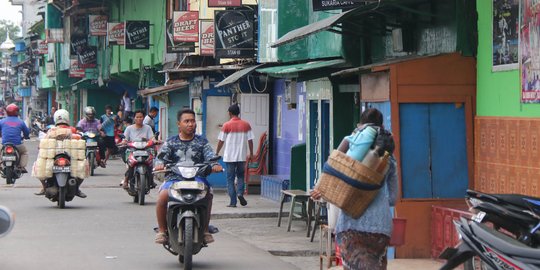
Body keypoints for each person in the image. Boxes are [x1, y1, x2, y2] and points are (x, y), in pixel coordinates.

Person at [311, 108, 398, 270]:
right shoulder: (389, 159)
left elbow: (333, 168)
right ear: (382, 126)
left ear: (361, 125)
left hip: (352, 224)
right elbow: (393, 198)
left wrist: (320, 190)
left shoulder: (350, 142)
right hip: (380, 226)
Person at [153, 109, 222, 244]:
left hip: (198, 179)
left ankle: (205, 230)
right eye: (186, 121)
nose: (190, 124)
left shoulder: (202, 142)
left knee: (208, 195)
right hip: (174, 179)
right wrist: (160, 164)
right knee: (162, 196)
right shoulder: (171, 142)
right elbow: (160, 158)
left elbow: (210, 156)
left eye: (192, 121)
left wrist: (214, 165)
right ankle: (162, 231)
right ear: (179, 124)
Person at [35, 109, 87, 198]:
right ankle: (77, 189)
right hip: (69, 156)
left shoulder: (51, 131)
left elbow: (43, 144)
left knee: (39, 167)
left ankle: (44, 188)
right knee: (83, 167)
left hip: (55, 156)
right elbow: (80, 141)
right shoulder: (73, 130)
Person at [215, 104, 253, 207]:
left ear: (230, 113)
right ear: (238, 112)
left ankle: (233, 202)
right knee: (240, 176)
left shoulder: (226, 125)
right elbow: (250, 141)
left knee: (230, 179)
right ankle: (240, 193)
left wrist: (217, 152)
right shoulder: (246, 125)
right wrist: (251, 153)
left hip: (229, 157)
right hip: (241, 156)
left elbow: (221, 141)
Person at [120, 110, 156, 191]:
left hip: (146, 149)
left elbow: (152, 138)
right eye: (137, 117)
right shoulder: (129, 128)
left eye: (141, 117)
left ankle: (151, 179)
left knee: (151, 164)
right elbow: (125, 139)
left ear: (143, 118)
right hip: (132, 150)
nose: (139, 119)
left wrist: (155, 141)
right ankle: (125, 180)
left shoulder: (148, 128)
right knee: (130, 164)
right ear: (134, 118)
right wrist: (124, 142)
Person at [0, 104, 30, 174]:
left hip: (4, 143)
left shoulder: (2, 121)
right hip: (17, 144)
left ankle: (1, 164)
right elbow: (26, 132)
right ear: (17, 112)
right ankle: (21, 167)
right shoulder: (20, 121)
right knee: (24, 152)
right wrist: (26, 137)